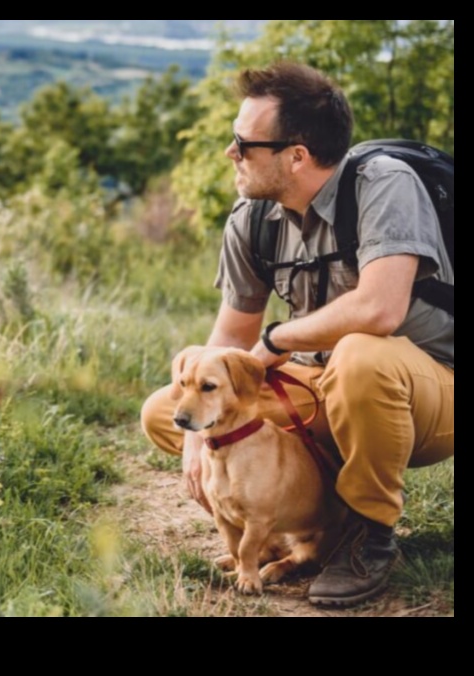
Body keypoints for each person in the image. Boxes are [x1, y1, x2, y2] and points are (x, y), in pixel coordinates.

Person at [139, 62, 454, 608]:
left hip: (427, 390)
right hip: (326, 388)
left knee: (360, 357)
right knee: (164, 411)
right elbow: (230, 341)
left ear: (297, 156)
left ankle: (368, 535)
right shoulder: (254, 218)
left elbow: (379, 309)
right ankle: (301, 517)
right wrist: (195, 435)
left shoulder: (384, 185)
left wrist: (279, 338)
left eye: (244, 143)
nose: (230, 153)